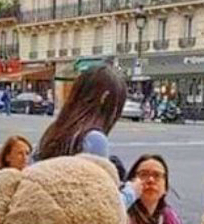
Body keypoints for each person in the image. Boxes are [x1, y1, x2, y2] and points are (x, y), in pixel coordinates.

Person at [35, 65, 139, 208]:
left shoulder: (55, 131)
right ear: (105, 99)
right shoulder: (94, 139)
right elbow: (99, 206)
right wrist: (132, 191)